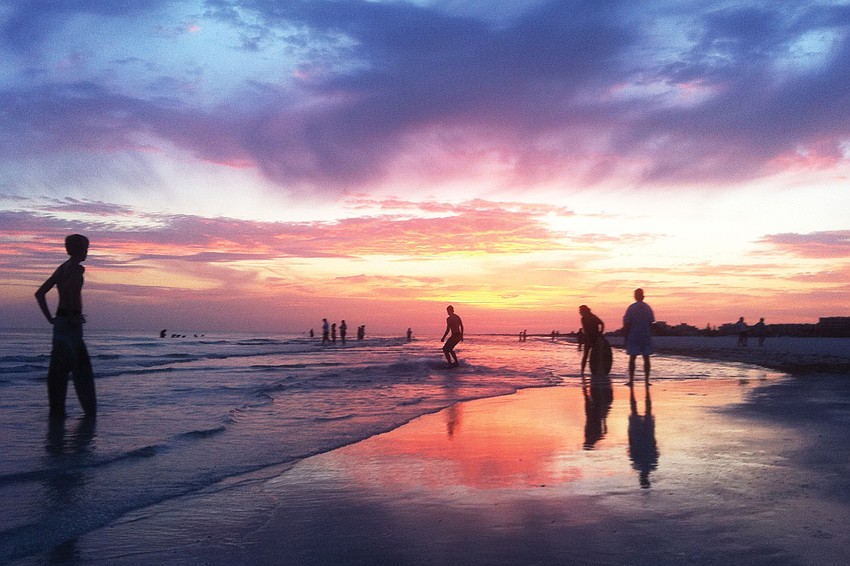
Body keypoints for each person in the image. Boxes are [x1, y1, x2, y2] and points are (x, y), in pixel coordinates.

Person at [35, 234, 97, 418]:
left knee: (58, 373)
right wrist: (72, 316)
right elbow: (70, 290)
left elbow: (40, 293)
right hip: (71, 326)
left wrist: (51, 319)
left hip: (59, 326)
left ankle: (57, 423)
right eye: (86, 247)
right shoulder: (78, 269)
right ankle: (87, 420)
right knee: (82, 373)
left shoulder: (62, 268)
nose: (87, 251)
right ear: (79, 249)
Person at [623, 288, 655, 385]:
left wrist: (626, 336)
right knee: (646, 357)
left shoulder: (631, 308)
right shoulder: (648, 308)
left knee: (633, 358)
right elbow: (651, 322)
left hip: (634, 335)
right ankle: (646, 380)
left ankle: (631, 380)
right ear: (643, 296)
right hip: (645, 335)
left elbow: (627, 323)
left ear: (635, 296)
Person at [579, 305, 605, 377]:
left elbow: (601, 323)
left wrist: (600, 333)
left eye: (580, 311)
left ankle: (591, 371)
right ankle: (583, 372)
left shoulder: (592, 317)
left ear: (584, 310)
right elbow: (585, 330)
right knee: (586, 355)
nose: (579, 312)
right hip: (589, 339)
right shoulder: (584, 318)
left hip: (594, 339)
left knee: (593, 356)